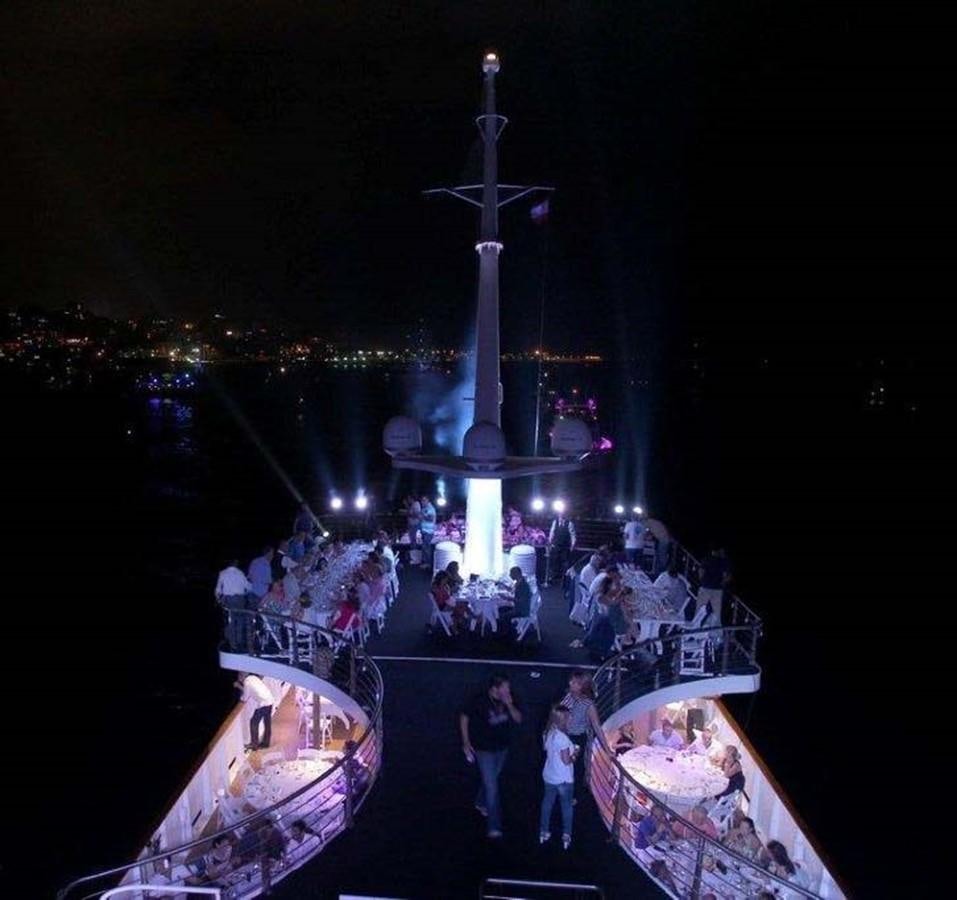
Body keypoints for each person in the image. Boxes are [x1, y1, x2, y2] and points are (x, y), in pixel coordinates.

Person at [459, 674, 523, 839]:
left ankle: (480, 801)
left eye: (508, 687)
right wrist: (466, 742)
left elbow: (518, 719)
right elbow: (464, 717)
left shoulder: (510, 698)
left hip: (502, 748)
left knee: (492, 779)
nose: (508, 690)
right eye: (505, 688)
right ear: (494, 689)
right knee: (493, 787)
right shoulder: (480, 700)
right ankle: (494, 826)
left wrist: (509, 705)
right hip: (484, 750)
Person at [539, 703, 577, 849]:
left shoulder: (548, 732)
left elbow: (547, 750)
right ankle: (566, 834)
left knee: (547, 804)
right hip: (563, 779)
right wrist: (576, 753)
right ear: (563, 720)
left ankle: (543, 831)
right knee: (566, 807)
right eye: (569, 717)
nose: (571, 719)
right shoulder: (563, 739)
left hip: (549, 775)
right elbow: (567, 761)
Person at [561, 671, 605, 792]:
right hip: (564, 735)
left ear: (582, 686)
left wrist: (606, 748)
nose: (570, 683)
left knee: (575, 766)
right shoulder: (569, 696)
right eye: (571, 681)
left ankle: (574, 793)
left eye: (574, 682)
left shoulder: (588, 705)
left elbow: (596, 726)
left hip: (577, 738)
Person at [216, 559, 253, 651]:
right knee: (239, 620)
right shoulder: (240, 573)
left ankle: (231, 643)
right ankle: (239, 642)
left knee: (230, 621)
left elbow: (218, 590)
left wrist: (218, 600)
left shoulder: (223, 573)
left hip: (228, 600)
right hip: (240, 599)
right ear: (236, 564)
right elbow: (248, 587)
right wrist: (249, 582)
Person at [236, 673, 274, 750]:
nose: (239, 679)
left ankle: (254, 745)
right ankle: (266, 743)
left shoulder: (247, 682)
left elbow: (244, 698)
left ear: (241, 677)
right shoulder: (253, 677)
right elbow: (251, 690)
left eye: (239, 677)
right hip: (270, 699)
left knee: (253, 722)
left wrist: (238, 686)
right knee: (267, 722)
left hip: (264, 703)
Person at [697, 546, 731, 622]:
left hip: (705, 588)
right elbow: (727, 576)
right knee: (714, 612)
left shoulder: (706, 559)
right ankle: (708, 630)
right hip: (717, 590)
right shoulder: (723, 562)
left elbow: (701, 572)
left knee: (701, 610)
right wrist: (721, 584)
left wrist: (703, 582)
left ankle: (698, 627)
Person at [547, 512, 576, 584]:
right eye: (560, 514)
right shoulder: (555, 522)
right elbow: (552, 532)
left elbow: (573, 535)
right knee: (554, 562)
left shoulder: (569, 523)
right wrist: (550, 542)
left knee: (565, 563)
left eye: (562, 514)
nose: (561, 515)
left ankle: (564, 580)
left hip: (565, 547)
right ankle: (552, 578)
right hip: (556, 546)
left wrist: (573, 545)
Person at [419, 495, 436, 569]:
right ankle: (425, 562)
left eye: (424, 500)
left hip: (429, 531)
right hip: (424, 530)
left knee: (426, 547)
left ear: (427, 501)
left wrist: (422, 516)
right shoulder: (424, 508)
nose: (422, 502)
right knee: (424, 547)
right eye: (422, 501)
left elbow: (431, 518)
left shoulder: (430, 508)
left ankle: (428, 563)